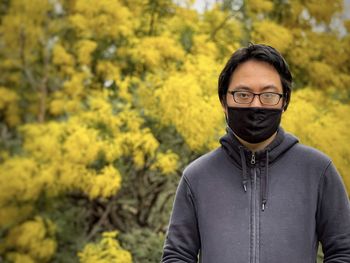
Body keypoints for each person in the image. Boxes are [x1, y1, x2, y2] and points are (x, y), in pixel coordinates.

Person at [161, 44, 350, 263]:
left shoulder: (318, 171)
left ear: (285, 101)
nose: (255, 104)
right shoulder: (197, 176)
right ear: (224, 101)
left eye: (268, 95)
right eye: (243, 94)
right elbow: (177, 256)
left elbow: (343, 252)